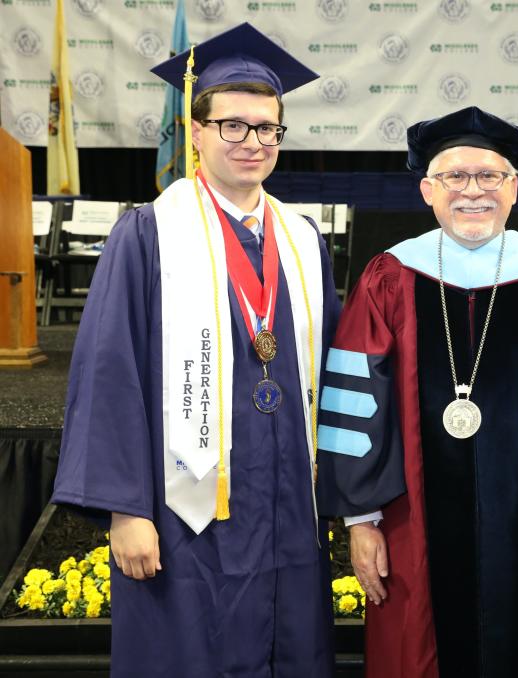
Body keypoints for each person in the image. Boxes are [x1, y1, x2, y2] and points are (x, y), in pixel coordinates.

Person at [51, 23, 340, 677]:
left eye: (267, 128)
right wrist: (125, 510)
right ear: (198, 130)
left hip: (288, 509)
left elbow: (335, 372)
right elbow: (109, 372)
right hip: (186, 517)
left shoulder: (303, 242)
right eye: (233, 126)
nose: (253, 142)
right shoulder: (149, 234)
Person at [314, 106, 518, 678]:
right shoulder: (389, 278)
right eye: (456, 177)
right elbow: (356, 408)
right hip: (409, 530)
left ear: (515, 189)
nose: (473, 192)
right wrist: (360, 521)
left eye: (490, 177)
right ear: (428, 189)